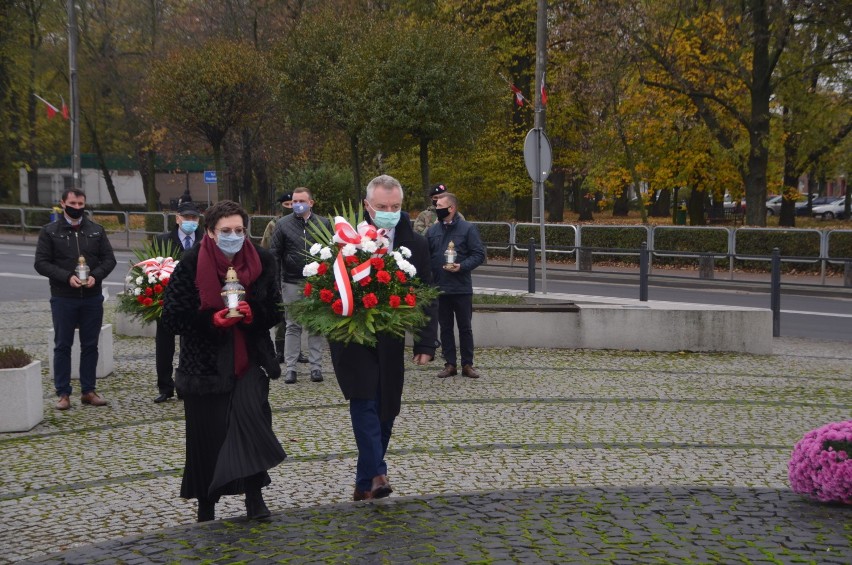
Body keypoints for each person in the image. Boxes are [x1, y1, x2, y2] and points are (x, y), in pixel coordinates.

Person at [161, 200, 286, 523]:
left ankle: (255, 498)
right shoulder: (189, 263)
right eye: (226, 231)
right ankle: (207, 505)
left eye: (240, 230)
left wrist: (252, 314)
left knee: (252, 425)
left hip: (250, 361)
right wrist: (211, 321)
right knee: (209, 437)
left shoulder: (263, 260)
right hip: (204, 368)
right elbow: (173, 317)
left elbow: (275, 310)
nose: (234, 236)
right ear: (211, 233)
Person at [328, 174, 438, 501]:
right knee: (364, 399)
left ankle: (365, 482)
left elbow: (427, 294)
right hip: (351, 333)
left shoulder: (415, 244)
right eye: (381, 207)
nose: (389, 212)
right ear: (366, 205)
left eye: (396, 206)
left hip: (390, 336)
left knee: (387, 407)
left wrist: (425, 342)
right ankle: (378, 473)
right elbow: (327, 284)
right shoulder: (344, 238)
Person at [35, 188, 117, 410]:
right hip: (64, 297)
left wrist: (96, 276)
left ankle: (88, 391)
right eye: (73, 203)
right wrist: (66, 277)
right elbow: (41, 263)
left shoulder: (96, 230)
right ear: (63, 203)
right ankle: (63, 393)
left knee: (91, 345)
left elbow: (109, 260)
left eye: (81, 204)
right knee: (63, 345)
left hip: (91, 297)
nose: (78, 208)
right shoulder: (49, 231)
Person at [270, 187, 331, 384]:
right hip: (291, 281)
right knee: (292, 325)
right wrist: (276, 283)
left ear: (311, 203)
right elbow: (275, 254)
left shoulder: (324, 224)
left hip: (316, 283)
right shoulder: (282, 224)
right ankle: (291, 368)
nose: (297, 204)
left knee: (315, 326)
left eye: (301, 201)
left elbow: (331, 252)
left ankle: (316, 367)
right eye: (294, 201)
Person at [426, 192, 485, 379]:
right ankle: (449, 364)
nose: (437, 208)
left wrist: (461, 266)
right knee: (445, 328)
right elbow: (426, 256)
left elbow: (478, 255)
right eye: (436, 205)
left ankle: (467, 364)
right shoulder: (432, 231)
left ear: (451, 208)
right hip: (440, 287)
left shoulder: (468, 229)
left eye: (440, 205)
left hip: (461, 288)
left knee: (465, 327)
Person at [152, 200, 202, 403]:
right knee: (164, 345)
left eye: (194, 218)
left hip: (194, 301)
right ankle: (165, 386)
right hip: (168, 300)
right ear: (177, 218)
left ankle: (185, 384)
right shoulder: (162, 240)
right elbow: (153, 268)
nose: (190, 221)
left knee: (190, 344)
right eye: (186, 217)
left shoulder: (205, 239)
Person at [260, 192, 308, 365]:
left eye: (292, 204)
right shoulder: (274, 224)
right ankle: (280, 350)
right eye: (287, 205)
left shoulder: (303, 224)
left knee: (296, 316)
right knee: (282, 316)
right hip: (280, 275)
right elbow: (266, 249)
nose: (291, 207)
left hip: (298, 275)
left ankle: (296, 351)